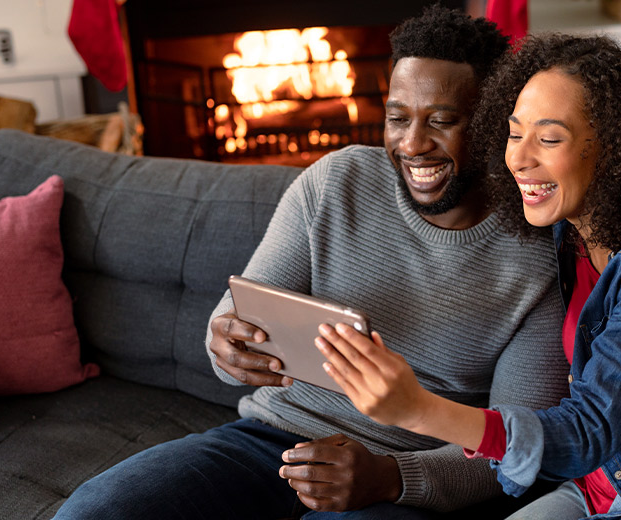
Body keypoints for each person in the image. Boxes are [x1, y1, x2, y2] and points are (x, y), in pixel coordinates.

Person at [53, 6, 570, 520]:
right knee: (96, 510)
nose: (411, 144)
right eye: (397, 118)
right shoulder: (335, 182)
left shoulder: (538, 255)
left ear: (495, 123)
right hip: (271, 440)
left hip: (401, 475)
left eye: (441, 121)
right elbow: (242, 310)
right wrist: (225, 343)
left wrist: (393, 478)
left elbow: (515, 447)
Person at [314, 33, 621, 519]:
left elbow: (588, 430)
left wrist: (420, 409)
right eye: (515, 132)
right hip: (602, 482)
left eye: (549, 138)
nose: (519, 158)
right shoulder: (571, 227)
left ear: (613, 148)